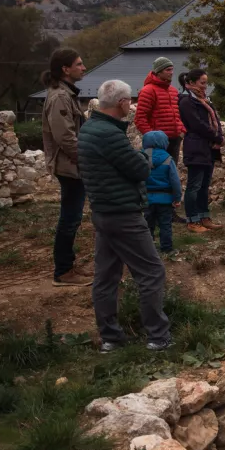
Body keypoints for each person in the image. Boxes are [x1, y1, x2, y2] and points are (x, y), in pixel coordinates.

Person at [78, 80, 171, 352]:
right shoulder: (110, 134)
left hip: (102, 211)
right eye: (129, 101)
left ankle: (110, 337)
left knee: (106, 276)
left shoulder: (88, 129)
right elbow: (140, 169)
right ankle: (157, 337)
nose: (131, 106)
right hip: (124, 214)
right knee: (151, 272)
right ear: (121, 103)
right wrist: (143, 157)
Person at [40, 47, 90, 287]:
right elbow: (66, 138)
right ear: (65, 69)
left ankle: (67, 266)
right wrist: (86, 159)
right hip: (69, 166)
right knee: (70, 218)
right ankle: (63, 271)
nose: (83, 67)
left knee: (72, 216)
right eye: (79, 64)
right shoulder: (60, 96)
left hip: (72, 165)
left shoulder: (67, 93)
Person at [177, 69, 224, 233]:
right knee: (194, 185)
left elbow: (214, 120)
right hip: (196, 146)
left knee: (204, 185)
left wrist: (218, 135)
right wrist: (215, 136)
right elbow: (197, 124)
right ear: (191, 83)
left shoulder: (204, 100)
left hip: (208, 148)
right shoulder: (186, 101)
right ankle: (193, 220)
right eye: (202, 83)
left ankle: (204, 216)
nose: (205, 86)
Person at [135, 57, 185, 162]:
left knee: (171, 173)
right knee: (158, 174)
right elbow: (140, 118)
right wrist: (153, 138)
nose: (171, 73)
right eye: (168, 70)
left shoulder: (173, 91)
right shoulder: (148, 91)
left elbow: (179, 113)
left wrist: (182, 130)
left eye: (172, 69)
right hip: (157, 144)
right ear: (158, 72)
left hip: (174, 140)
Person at [142, 131, 182, 254]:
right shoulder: (168, 159)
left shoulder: (141, 157)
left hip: (146, 198)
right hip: (165, 199)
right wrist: (177, 197)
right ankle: (167, 248)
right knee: (165, 225)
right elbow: (175, 181)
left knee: (147, 225)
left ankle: (148, 249)